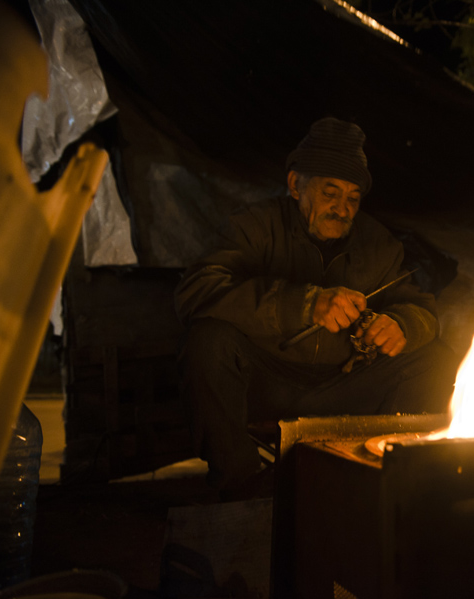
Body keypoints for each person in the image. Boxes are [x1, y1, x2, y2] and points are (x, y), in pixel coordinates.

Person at [175, 117, 458, 498]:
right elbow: (196, 291)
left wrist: (401, 325)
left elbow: (421, 309)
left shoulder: (378, 243)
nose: (342, 209)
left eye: (353, 198)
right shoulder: (256, 227)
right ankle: (242, 487)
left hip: (342, 386)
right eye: (330, 193)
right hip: (266, 382)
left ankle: (391, 480)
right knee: (209, 341)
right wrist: (303, 304)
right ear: (295, 185)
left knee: (435, 359)